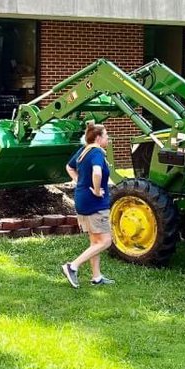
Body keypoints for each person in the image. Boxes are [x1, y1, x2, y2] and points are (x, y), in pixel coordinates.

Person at [61, 123, 115, 288]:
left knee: (95, 240)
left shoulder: (84, 150)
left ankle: (96, 277)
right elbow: (97, 172)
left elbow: (69, 167)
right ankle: (72, 266)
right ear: (98, 138)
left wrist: (80, 182)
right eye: (106, 136)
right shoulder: (97, 152)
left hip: (82, 199)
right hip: (94, 202)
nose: (108, 138)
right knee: (105, 241)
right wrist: (97, 191)